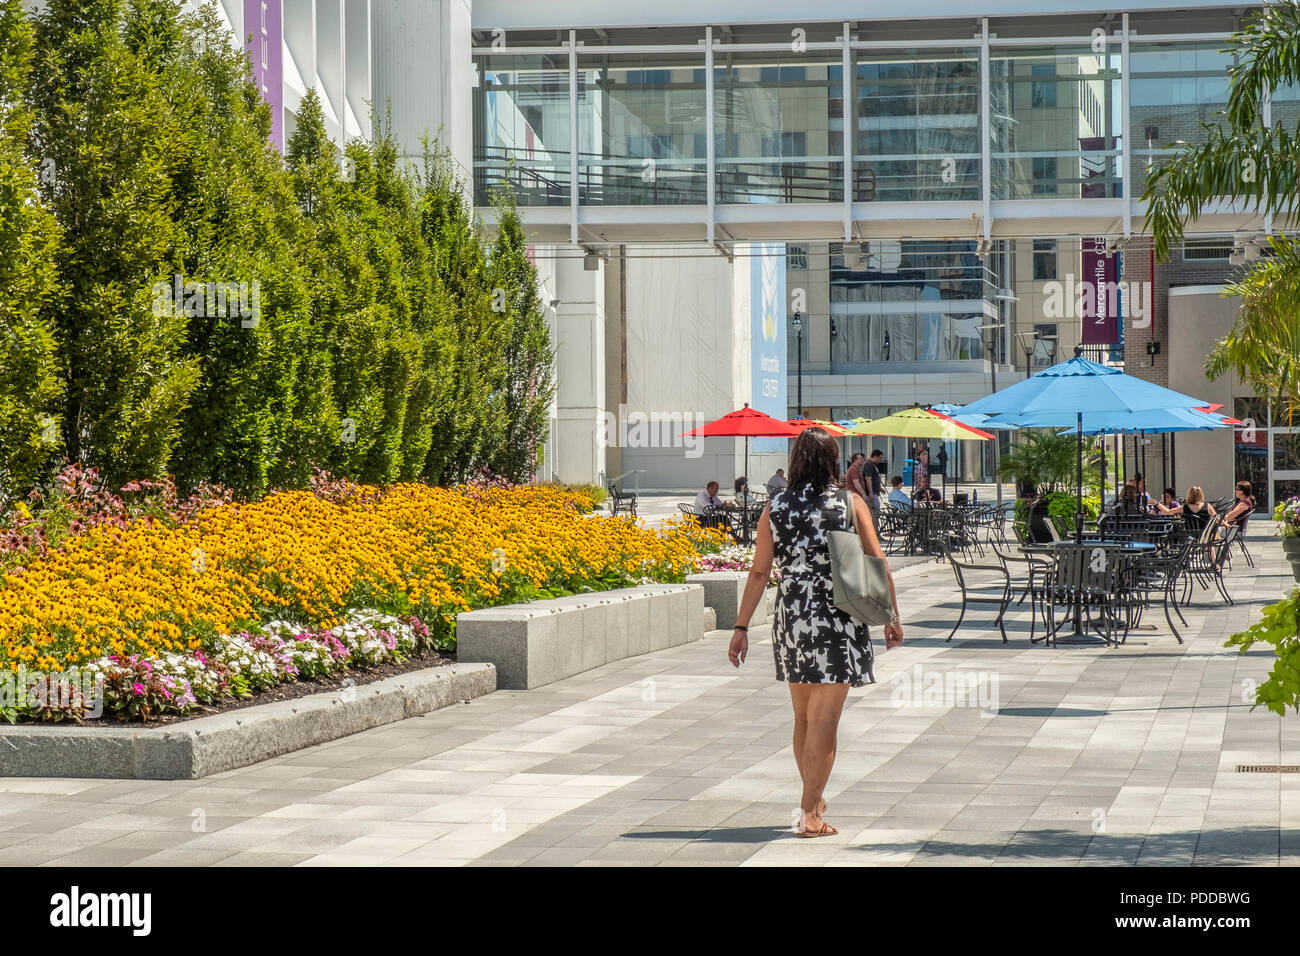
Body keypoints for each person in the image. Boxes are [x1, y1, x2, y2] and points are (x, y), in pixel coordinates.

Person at [728, 427, 903, 838]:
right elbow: (877, 559)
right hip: (838, 618)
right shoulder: (849, 502)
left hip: (794, 619)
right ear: (833, 461)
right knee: (825, 721)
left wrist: (740, 627)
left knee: (804, 719)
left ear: (796, 461)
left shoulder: (776, 507)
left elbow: (758, 571)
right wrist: (891, 616)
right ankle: (809, 813)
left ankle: (814, 798)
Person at [859, 449, 885, 523]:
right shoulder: (869, 464)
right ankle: (874, 530)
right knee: (874, 512)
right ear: (875, 456)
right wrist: (870, 492)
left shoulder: (873, 465)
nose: (880, 460)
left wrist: (879, 488)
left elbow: (874, 479)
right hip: (872, 493)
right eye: (880, 458)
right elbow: (868, 478)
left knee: (876, 512)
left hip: (875, 491)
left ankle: (875, 528)